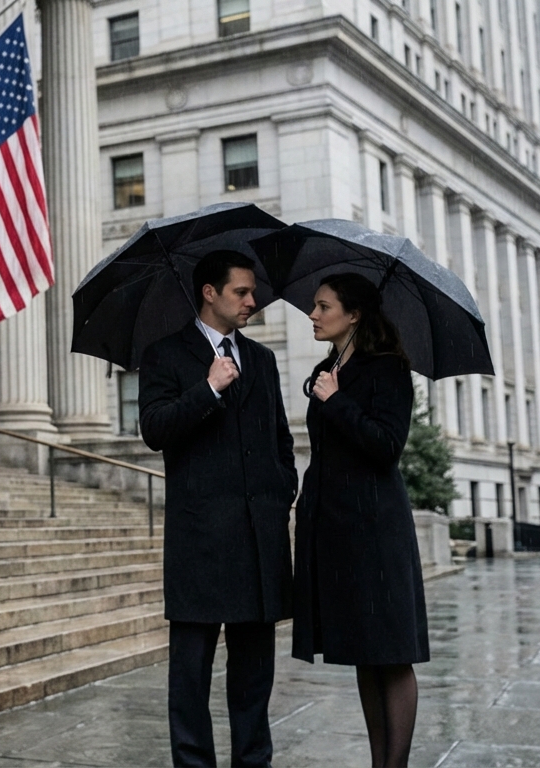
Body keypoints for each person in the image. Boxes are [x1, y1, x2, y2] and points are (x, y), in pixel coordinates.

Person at [139, 250, 298, 767]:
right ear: (210, 293)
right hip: (200, 544)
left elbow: (280, 440)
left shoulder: (264, 360)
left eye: (253, 292)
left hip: (259, 543)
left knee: (255, 678)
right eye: (242, 293)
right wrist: (208, 388)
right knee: (190, 676)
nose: (253, 302)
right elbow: (155, 430)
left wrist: (281, 493)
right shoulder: (164, 355)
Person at [294, 272, 428, 768]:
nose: (313, 314)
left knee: (391, 653)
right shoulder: (328, 369)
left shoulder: (388, 369)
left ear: (353, 315)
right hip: (335, 528)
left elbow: (386, 446)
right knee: (363, 651)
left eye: (323, 306)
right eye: (314, 305)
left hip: (377, 528)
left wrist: (336, 401)